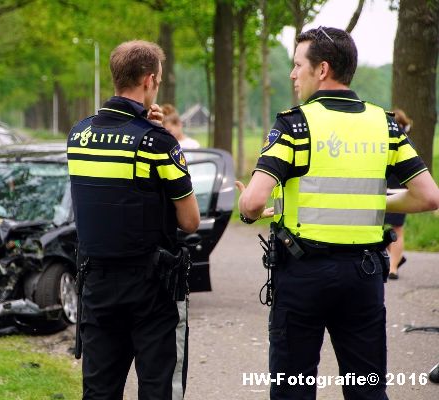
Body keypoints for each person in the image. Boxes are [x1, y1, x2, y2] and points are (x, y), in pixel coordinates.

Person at [237, 26, 439, 400]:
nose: (293, 74)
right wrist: (372, 201)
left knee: (292, 390)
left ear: (323, 69)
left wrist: (250, 212)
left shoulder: (294, 125)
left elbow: (251, 203)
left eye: (298, 65)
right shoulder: (386, 124)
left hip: (302, 275)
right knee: (366, 389)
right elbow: (428, 197)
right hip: (363, 277)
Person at [67, 40, 200, 400]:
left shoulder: (78, 136)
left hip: (96, 284)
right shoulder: (158, 143)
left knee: (99, 389)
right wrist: (162, 136)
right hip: (150, 288)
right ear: (149, 80)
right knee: (159, 388)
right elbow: (189, 221)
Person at [384, 109, 411, 279]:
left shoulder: (403, 143)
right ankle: (396, 260)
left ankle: (393, 267)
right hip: (386, 190)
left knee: (397, 230)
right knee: (388, 230)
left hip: (397, 191)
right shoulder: (404, 142)